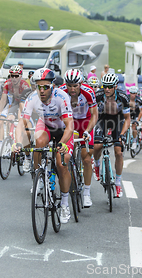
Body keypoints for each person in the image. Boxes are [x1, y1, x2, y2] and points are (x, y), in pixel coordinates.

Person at [13, 68, 74, 223]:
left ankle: (65, 204)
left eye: (45, 86)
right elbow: (22, 122)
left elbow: (70, 126)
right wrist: (18, 142)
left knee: (61, 164)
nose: (41, 90)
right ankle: (39, 175)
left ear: (52, 86)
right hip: (46, 125)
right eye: (38, 86)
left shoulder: (62, 97)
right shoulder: (32, 98)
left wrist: (61, 143)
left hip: (62, 129)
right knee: (39, 142)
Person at [59, 69, 98, 207]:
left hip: (85, 122)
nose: (72, 88)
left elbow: (95, 115)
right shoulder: (60, 91)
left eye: (75, 85)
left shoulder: (88, 91)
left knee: (87, 158)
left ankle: (86, 193)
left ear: (80, 83)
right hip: (69, 122)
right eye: (69, 85)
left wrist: (88, 131)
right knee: (65, 155)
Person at [93, 73, 131, 198]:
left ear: (115, 86)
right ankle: (97, 165)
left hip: (118, 120)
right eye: (105, 86)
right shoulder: (98, 95)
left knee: (118, 151)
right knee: (97, 146)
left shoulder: (123, 97)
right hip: (102, 119)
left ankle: (118, 182)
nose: (107, 89)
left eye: (110, 86)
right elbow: (92, 113)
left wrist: (122, 134)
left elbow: (127, 119)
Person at [0, 65, 30, 150]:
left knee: (20, 120)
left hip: (24, 103)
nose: (14, 78)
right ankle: (10, 141)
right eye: (12, 75)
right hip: (15, 102)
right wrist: (0, 112)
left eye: (16, 76)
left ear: (21, 76)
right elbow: (3, 99)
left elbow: (27, 102)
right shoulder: (7, 83)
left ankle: (21, 140)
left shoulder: (25, 85)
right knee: (9, 119)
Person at [127, 86, 142, 151]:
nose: (133, 95)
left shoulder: (138, 100)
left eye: (134, 93)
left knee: (134, 126)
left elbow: (141, 111)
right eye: (131, 93)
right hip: (128, 112)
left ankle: (134, 141)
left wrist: (137, 120)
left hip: (135, 113)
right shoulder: (126, 98)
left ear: (136, 93)